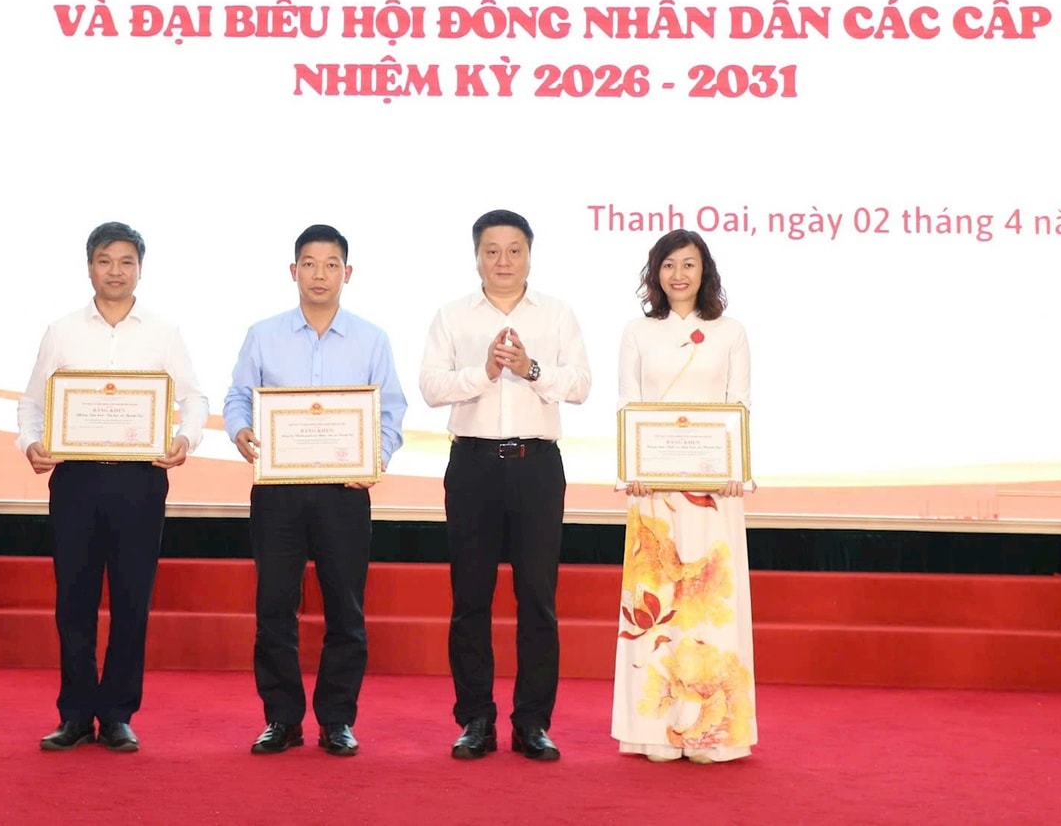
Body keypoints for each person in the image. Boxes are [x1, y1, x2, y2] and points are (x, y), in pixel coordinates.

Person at [16, 221, 207, 754]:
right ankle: (75, 714)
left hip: (139, 481)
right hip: (76, 479)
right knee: (73, 601)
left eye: (126, 261)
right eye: (105, 261)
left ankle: (118, 714)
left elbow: (194, 398)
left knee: (131, 601)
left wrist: (186, 438)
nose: (115, 271)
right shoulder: (61, 331)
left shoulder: (163, 332)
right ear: (89, 267)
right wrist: (31, 443)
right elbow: (32, 402)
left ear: (140, 269)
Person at [225, 224, 407, 760]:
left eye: (331, 265)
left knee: (345, 610)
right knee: (274, 608)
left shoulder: (372, 339)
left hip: (343, 491)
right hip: (278, 491)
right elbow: (238, 396)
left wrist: (376, 458)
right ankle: (281, 719)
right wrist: (240, 429)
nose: (319, 274)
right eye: (309, 263)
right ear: (293, 271)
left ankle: (337, 720)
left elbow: (391, 411)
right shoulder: (263, 334)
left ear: (347, 273)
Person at [420, 209, 590, 761]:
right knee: (470, 599)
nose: (503, 261)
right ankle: (475, 719)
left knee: (537, 599)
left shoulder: (557, 314)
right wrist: (486, 373)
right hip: (473, 466)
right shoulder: (452, 316)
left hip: (536, 467)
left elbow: (581, 385)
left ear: (529, 255)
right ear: (476, 256)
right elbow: (431, 387)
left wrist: (531, 368)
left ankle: (532, 723)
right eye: (491, 251)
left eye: (514, 250)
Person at [611, 229, 757, 764]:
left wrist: (736, 468)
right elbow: (628, 404)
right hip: (654, 494)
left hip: (714, 493)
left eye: (689, 264)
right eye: (669, 264)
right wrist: (633, 468)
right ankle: (655, 731)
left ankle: (713, 734)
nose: (679, 274)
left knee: (710, 608)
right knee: (659, 608)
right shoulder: (637, 332)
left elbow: (739, 404)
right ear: (656, 272)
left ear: (704, 271)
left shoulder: (730, 332)